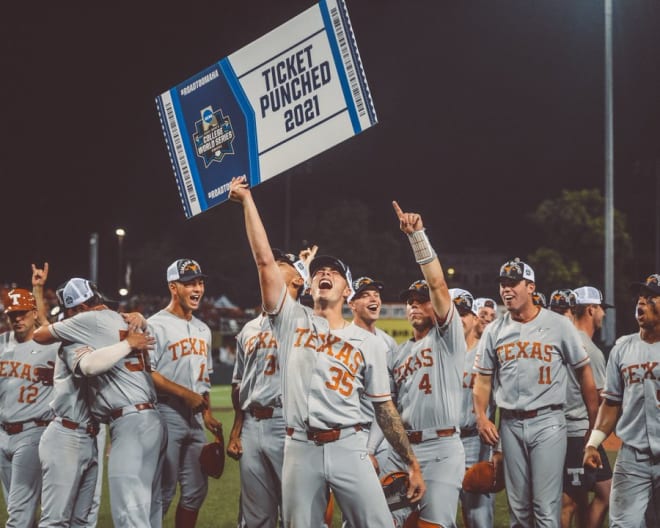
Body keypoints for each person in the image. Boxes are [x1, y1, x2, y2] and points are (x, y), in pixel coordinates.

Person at [229, 176, 424, 527]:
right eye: (320, 270)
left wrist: (410, 460)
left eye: (334, 272)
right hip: (299, 447)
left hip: (349, 443)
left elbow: (384, 407)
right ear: (310, 285)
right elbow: (264, 263)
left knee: (378, 523)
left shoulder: (367, 342)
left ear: (347, 290)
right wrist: (247, 201)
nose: (326, 273)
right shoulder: (291, 320)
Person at [473, 258, 599, 527]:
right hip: (509, 423)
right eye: (503, 285)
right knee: (517, 508)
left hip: (549, 422)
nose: (506, 290)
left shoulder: (558, 325)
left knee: (545, 506)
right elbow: (483, 381)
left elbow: (584, 373)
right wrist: (481, 417)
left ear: (530, 287)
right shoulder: (494, 330)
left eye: (513, 283)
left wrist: (593, 423)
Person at [33, 278, 167, 527]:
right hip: (138, 420)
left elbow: (42, 334)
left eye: (69, 312)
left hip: (118, 426)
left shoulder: (85, 323)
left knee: (123, 513)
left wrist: (126, 343)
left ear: (76, 309)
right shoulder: (126, 320)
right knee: (148, 507)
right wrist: (136, 327)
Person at [386, 202, 466, 528]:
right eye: (410, 302)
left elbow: (437, 285)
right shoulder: (397, 352)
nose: (415, 306)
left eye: (421, 301)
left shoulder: (447, 338)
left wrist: (417, 236)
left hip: (443, 449)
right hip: (404, 451)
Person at [228, 248, 314, 528]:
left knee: (296, 511)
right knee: (255, 516)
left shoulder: (308, 320)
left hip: (287, 422)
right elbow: (238, 384)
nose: (273, 267)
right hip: (253, 424)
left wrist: (307, 268)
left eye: (282, 264)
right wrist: (237, 430)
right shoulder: (250, 328)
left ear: (299, 280)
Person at [146, 258, 222, 527]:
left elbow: (204, 379)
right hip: (166, 414)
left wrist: (208, 412)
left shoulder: (203, 329)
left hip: (196, 420)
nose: (197, 288)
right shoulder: (154, 325)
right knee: (163, 490)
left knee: (195, 491)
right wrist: (184, 394)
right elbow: (148, 373)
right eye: (189, 283)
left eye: (200, 282)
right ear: (173, 287)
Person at [583, 273, 660, 528]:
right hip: (633, 456)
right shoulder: (622, 349)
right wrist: (594, 443)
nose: (641, 303)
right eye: (640, 298)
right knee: (623, 524)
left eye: (650, 298)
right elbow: (612, 403)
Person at [0, 278, 59, 527]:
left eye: (23, 313)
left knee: (18, 512)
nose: (17, 319)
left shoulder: (53, 343)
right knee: (22, 510)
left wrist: (38, 289)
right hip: (3, 434)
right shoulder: (1, 342)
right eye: (13, 314)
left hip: (34, 432)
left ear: (34, 313)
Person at [561, 285, 611, 528]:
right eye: (601, 308)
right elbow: (601, 402)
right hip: (580, 433)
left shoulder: (564, 339)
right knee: (570, 501)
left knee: (597, 492)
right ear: (591, 309)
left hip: (567, 429)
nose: (603, 314)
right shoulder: (591, 350)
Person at [452, 289, 496, 528]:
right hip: (440, 442)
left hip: (474, 442)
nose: (459, 319)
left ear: (472, 319)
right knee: (439, 516)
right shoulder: (433, 354)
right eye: (454, 312)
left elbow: (498, 405)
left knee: (479, 517)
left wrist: (494, 450)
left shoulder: (486, 353)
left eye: (464, 313)